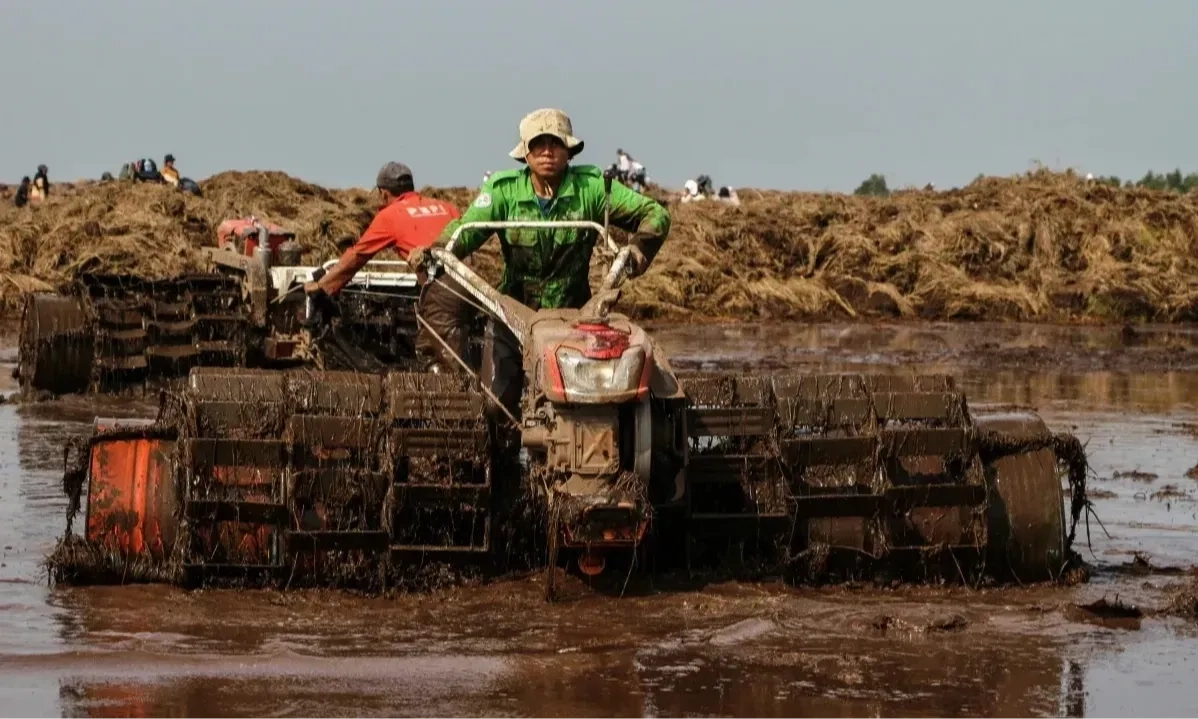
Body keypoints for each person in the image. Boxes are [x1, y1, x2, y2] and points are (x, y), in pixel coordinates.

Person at [409, 108, 671, 417]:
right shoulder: (502, 191)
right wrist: (437, 249)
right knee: (495, 408)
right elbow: (465, 231)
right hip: (513, 311)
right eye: (538, 144)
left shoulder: (593, 187)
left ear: (568, 150)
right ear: (526, 152)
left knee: (586, 403)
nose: (547, 151)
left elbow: (656, 215)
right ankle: (498, 457)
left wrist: (636, 252)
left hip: (574, 314)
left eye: (555, 143)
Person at [303, 162, 460, 360]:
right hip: (472, 288)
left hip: (442, 291)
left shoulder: (390, 216)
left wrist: (323, 286)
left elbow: (357, 256)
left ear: (383, 193)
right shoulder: (447, 207)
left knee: (437, 356)